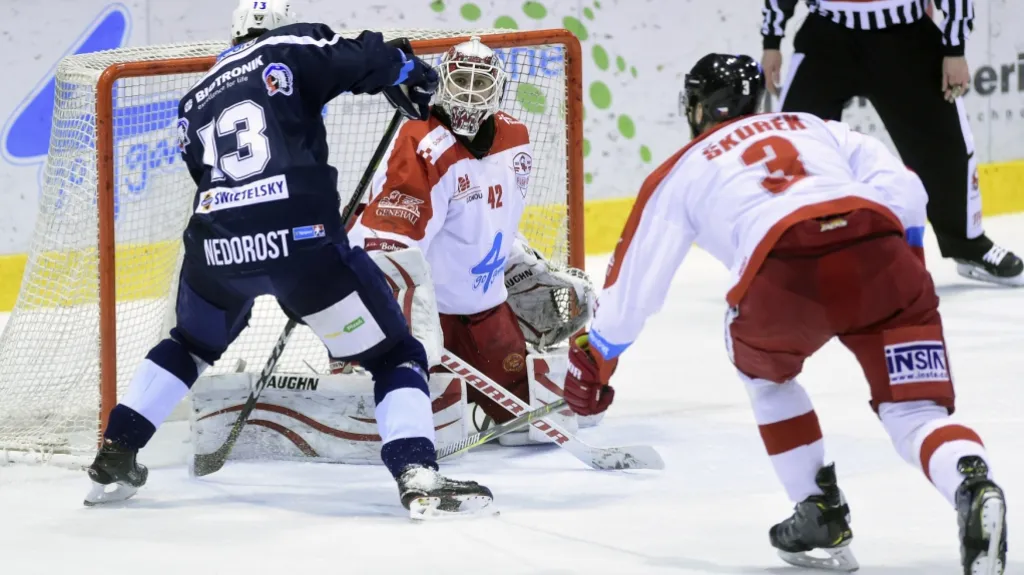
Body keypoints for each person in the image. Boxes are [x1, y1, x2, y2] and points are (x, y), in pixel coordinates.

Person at [564, 53, 1007, 573]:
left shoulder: (682, 168)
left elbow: (634, 287)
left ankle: (817, 507)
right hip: (881, 257)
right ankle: (971, 481)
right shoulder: (814, 125)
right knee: (915, 415)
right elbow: (907, 188)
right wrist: (904, 267)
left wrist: (597, 356)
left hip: (785, 270)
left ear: (698, 109)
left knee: (764, 376)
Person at [85, 0, 493, 518]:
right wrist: (408, 68)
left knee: (188, 343)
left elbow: (207, 175)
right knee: (394, 356)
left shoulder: (191, 100)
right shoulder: (287, 46)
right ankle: (417, 472)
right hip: (301, 244)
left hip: (215, 247)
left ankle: (117, 452)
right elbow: (360, 55)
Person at [347, 37, 593, 445]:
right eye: (461, 80)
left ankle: (471, 395)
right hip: (429, 316)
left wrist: (512, 259)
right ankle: (360, 364)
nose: (469, 93)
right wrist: (413, 327)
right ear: (443, 82)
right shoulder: (422, 145)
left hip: (485, 312)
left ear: (498, 91)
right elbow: (386, 248)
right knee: (423, 427)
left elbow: (491, 219)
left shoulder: (516, 138)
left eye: (481, 84)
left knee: (534, 430)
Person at [760, 0, 1023, 286]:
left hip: (906, 38)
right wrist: (771, 41)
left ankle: (967, 244)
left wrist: (955, 49)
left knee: (943, 146)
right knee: (793, 143)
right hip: (826, 37)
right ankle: (781, 249)